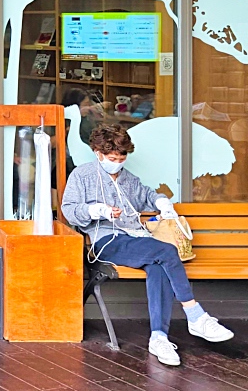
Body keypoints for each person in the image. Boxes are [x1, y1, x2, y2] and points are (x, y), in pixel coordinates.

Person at [62, 122, 233, 366]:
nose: (117, 162)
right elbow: (69, 211)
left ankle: (159, 337)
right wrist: (95, 210)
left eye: (121, 158)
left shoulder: (128, 179)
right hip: (105, 241)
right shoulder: (82, 175)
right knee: (165, 251)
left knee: (158, 266)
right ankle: (195, 315)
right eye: (112, 157)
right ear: (97, 153)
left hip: (135, 238)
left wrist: (162, 203)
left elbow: (147, 195)